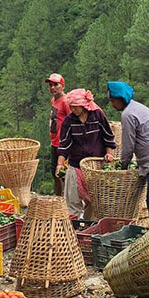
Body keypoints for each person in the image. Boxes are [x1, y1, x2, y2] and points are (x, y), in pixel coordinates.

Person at [107, 80, 149, 225]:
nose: (112, 104)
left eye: (113, 100)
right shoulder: (138, 108)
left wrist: (123, 166)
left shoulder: (128, 114)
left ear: (121, 99)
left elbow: (128, 145)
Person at [55, 88, 115, 218]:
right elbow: (64, 145)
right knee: (72, 202)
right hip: (76, 165)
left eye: (75, 107)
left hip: (95, 165)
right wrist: (59, 165)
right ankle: (73, 228)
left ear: (83, 105)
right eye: (70, 106)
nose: (72, 109)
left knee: (95, 202)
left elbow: (108, 137)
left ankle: (89, 228)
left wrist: (109, 154)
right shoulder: (69, 121)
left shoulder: (98, 116)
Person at [46, 73, 71, 197]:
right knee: (54, 174)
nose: (52, 88)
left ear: (62, 86)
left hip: (64, 144)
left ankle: (68, 202)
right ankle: (58, 200)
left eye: (56, 84)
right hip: (54, 143)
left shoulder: (65, 102)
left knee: (64, 174)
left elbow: (72, 121)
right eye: (50, 85)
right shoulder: (54, 100)